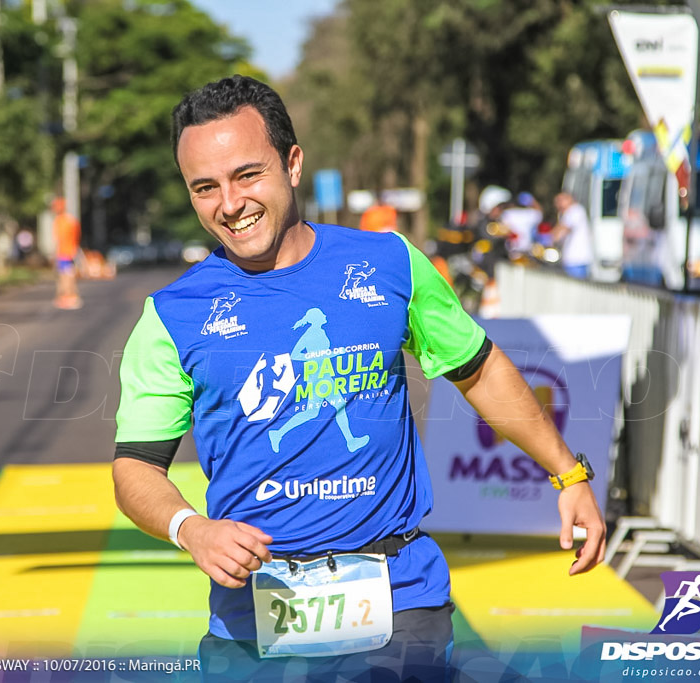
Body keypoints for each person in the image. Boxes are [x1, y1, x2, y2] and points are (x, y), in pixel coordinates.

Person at [112, 76, 605, 680]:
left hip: (401, 597)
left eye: (247, 175)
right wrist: (192, 530)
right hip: (255, 615)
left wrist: (568, 473)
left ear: (293, 164)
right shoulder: (171, 315)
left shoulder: (390, 262)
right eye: (205, 188)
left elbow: (479, 371)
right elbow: (135, 467)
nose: (230, 204)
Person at [552, 192, 594, 279]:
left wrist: (550, 237)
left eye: (560, 200)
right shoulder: (567, 213)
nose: (557, 204)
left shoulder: (576, 211)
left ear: (569, 199)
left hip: (577, 259)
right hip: (572, 259)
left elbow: (563, 229)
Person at [51, 197, 82, 309]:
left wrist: (55, 254)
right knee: (68, 276)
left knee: (65, 277)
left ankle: (70, 297)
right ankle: (68, 297)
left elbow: (59, 239)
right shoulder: (71, 220)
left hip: (64, 253)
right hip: (71, 251)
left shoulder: (61, 221)